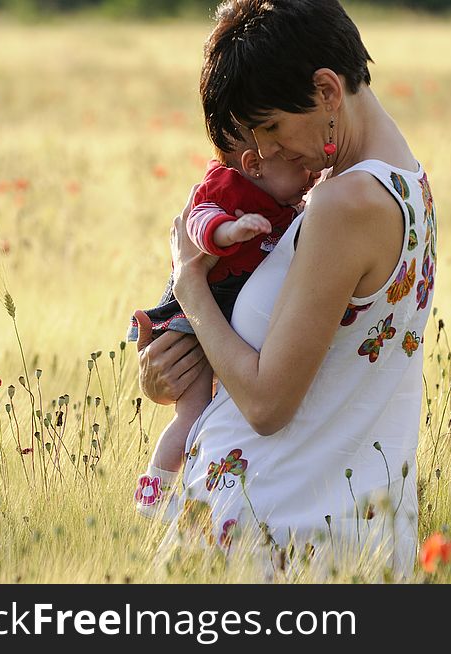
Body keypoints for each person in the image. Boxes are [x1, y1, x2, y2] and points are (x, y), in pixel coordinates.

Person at [136, 0, 437, 580]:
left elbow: (268, 404)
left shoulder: (345, 203)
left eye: (271, 127)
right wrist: (178, 367)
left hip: (283, 540)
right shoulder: (404, 182)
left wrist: (189, 288)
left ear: (327, 90)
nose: (267, 154)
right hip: (332, 532)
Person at [128, 135, 315, 518]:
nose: (308, 172)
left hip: (216, 312)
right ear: (254, 164)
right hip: (193, 320)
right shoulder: (228, 186)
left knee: (209, 408)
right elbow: (197, 221)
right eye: (296, 162)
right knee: (191, 412)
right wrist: (231, 231)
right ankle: (154, 487)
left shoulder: (285, 198)